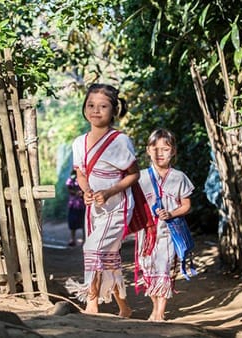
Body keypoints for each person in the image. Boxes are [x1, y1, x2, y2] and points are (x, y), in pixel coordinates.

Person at [65, 83, 137, 318]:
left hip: (117, 207)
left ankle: (91, 302)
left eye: (103, 106)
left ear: (114, 110)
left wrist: (109, 191)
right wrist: (86, 190)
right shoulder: (79, 142)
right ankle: (124, 307)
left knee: (93, 249)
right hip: (93, 208)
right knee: (108, 257)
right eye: (91, 105)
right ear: (84, 108)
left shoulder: (120, 141)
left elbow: (133, 174)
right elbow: (81, 173)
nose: (96, 110)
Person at [136, 128, 195, 322]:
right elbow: (134, 204)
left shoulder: (179, 177)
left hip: (169, 231)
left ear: (174, 151)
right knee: (148, 269)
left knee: (165, 267)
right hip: (146, 234)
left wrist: (171, 213)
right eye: (155, 148)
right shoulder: (140, 178)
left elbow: (186, 205)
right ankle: (155, 308)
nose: (159, 153)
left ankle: (160, 313)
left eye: (165, 148)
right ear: (148, 150)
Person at [65, 169, 85, 246]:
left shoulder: (84, 178)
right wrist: (76, 192)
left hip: (82, 205)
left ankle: (84, 240)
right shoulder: (71, 179)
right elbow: (69, 189)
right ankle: (72, 239)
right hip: (73, 204)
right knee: (72, 222)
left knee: (83, 223)